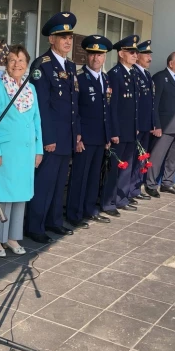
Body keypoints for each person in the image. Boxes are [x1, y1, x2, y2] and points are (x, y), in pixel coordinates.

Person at [0, 45, 43, 256]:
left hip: (27, 151)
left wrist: (39, 149)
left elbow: (37, 120)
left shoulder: (31, 89)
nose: (17, 64)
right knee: (2, 196)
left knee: (21, 196)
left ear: (27, 64)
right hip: (6, 152)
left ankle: (12, 237)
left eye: (21, 60)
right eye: (12, 60)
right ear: (5, 64)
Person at [27, 12, 79, 243]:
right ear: (51, 39)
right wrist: (47, 138)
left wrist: (76, 134)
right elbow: (41, 107)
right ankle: (35, 226)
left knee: (59, 184)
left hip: (67, 137)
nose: (68, 41)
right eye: (62, 36)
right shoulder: (42, 65)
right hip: (51, 138)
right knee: (44, 183)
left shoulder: (70, 66)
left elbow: (73, 104)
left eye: (70, 36)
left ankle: (54, 221)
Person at [66, 35, 113, 228]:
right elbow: (74, 109)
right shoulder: (78, 78)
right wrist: (77, 136)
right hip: (84, 138)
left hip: (100, 138)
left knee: (94, 177)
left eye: (100, 55)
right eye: (92, 55)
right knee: (79, 177)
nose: (96, 59)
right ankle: (74, 214)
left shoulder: (105, 78)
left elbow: (107, 110)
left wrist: (108, 135)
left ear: (104, 57)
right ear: (87, 56)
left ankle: (89, 209)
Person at [101, 35, 140, 216]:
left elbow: (135, 105)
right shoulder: (115, 75)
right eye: (131, 52)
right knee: (115, 169)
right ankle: (108, 202)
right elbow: (112, 107)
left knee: (127, 166)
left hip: (131, 130)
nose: (135, 55)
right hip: (119, 132)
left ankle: (121, 198)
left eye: (136, 52)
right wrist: (114, 131)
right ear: (121, 54)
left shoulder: (132, 73)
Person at [145, 52, 175, 198]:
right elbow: (154, 104)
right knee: (157, 157)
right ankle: (151, 184)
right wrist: (156, 125)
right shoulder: (160, 78)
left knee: (174, 158)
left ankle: (167, 183)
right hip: (164, 126)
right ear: (171, 63)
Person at [129, 40, 155, 203]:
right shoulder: (134, 74)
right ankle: (130, 189)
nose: (149, 58)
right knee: (132, 158)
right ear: (137, 56)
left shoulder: (146, 74)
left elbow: (150, 103)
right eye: (146, 54)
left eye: (149, 54)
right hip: (137, 125)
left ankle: (136, 187)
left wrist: (153, 123)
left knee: (141, 158)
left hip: (146, 125)